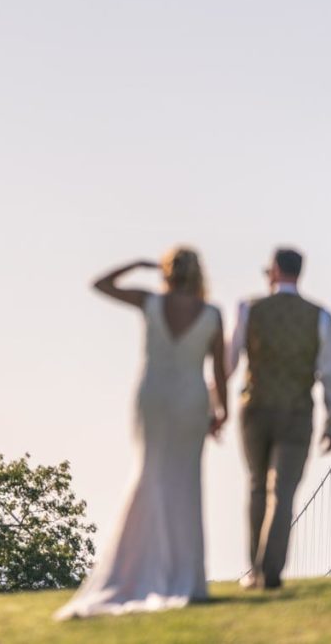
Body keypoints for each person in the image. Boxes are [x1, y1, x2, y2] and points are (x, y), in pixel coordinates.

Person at [55, 247, 227, 619]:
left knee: (150, 475)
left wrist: (137, 264)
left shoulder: (150, 301)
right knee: (185, 484)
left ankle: (137, 571)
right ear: (199, 274)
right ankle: (184, 577)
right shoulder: (212, 314)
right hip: (190, 403)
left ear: (167, 271)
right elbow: (220, 370)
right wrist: (221, 411)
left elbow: (99, 284)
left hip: (153, 399)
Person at [228, 247, 331, 590]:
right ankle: (270, 571)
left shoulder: (249, 309)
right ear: (300, 272)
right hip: (297, 414)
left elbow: (229, 360)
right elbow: (330, 374)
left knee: (257, 486)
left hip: (255, 410)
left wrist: (215, 406)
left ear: (274, 270)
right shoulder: (320, 316)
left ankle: (255, 571)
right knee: (283, 492)